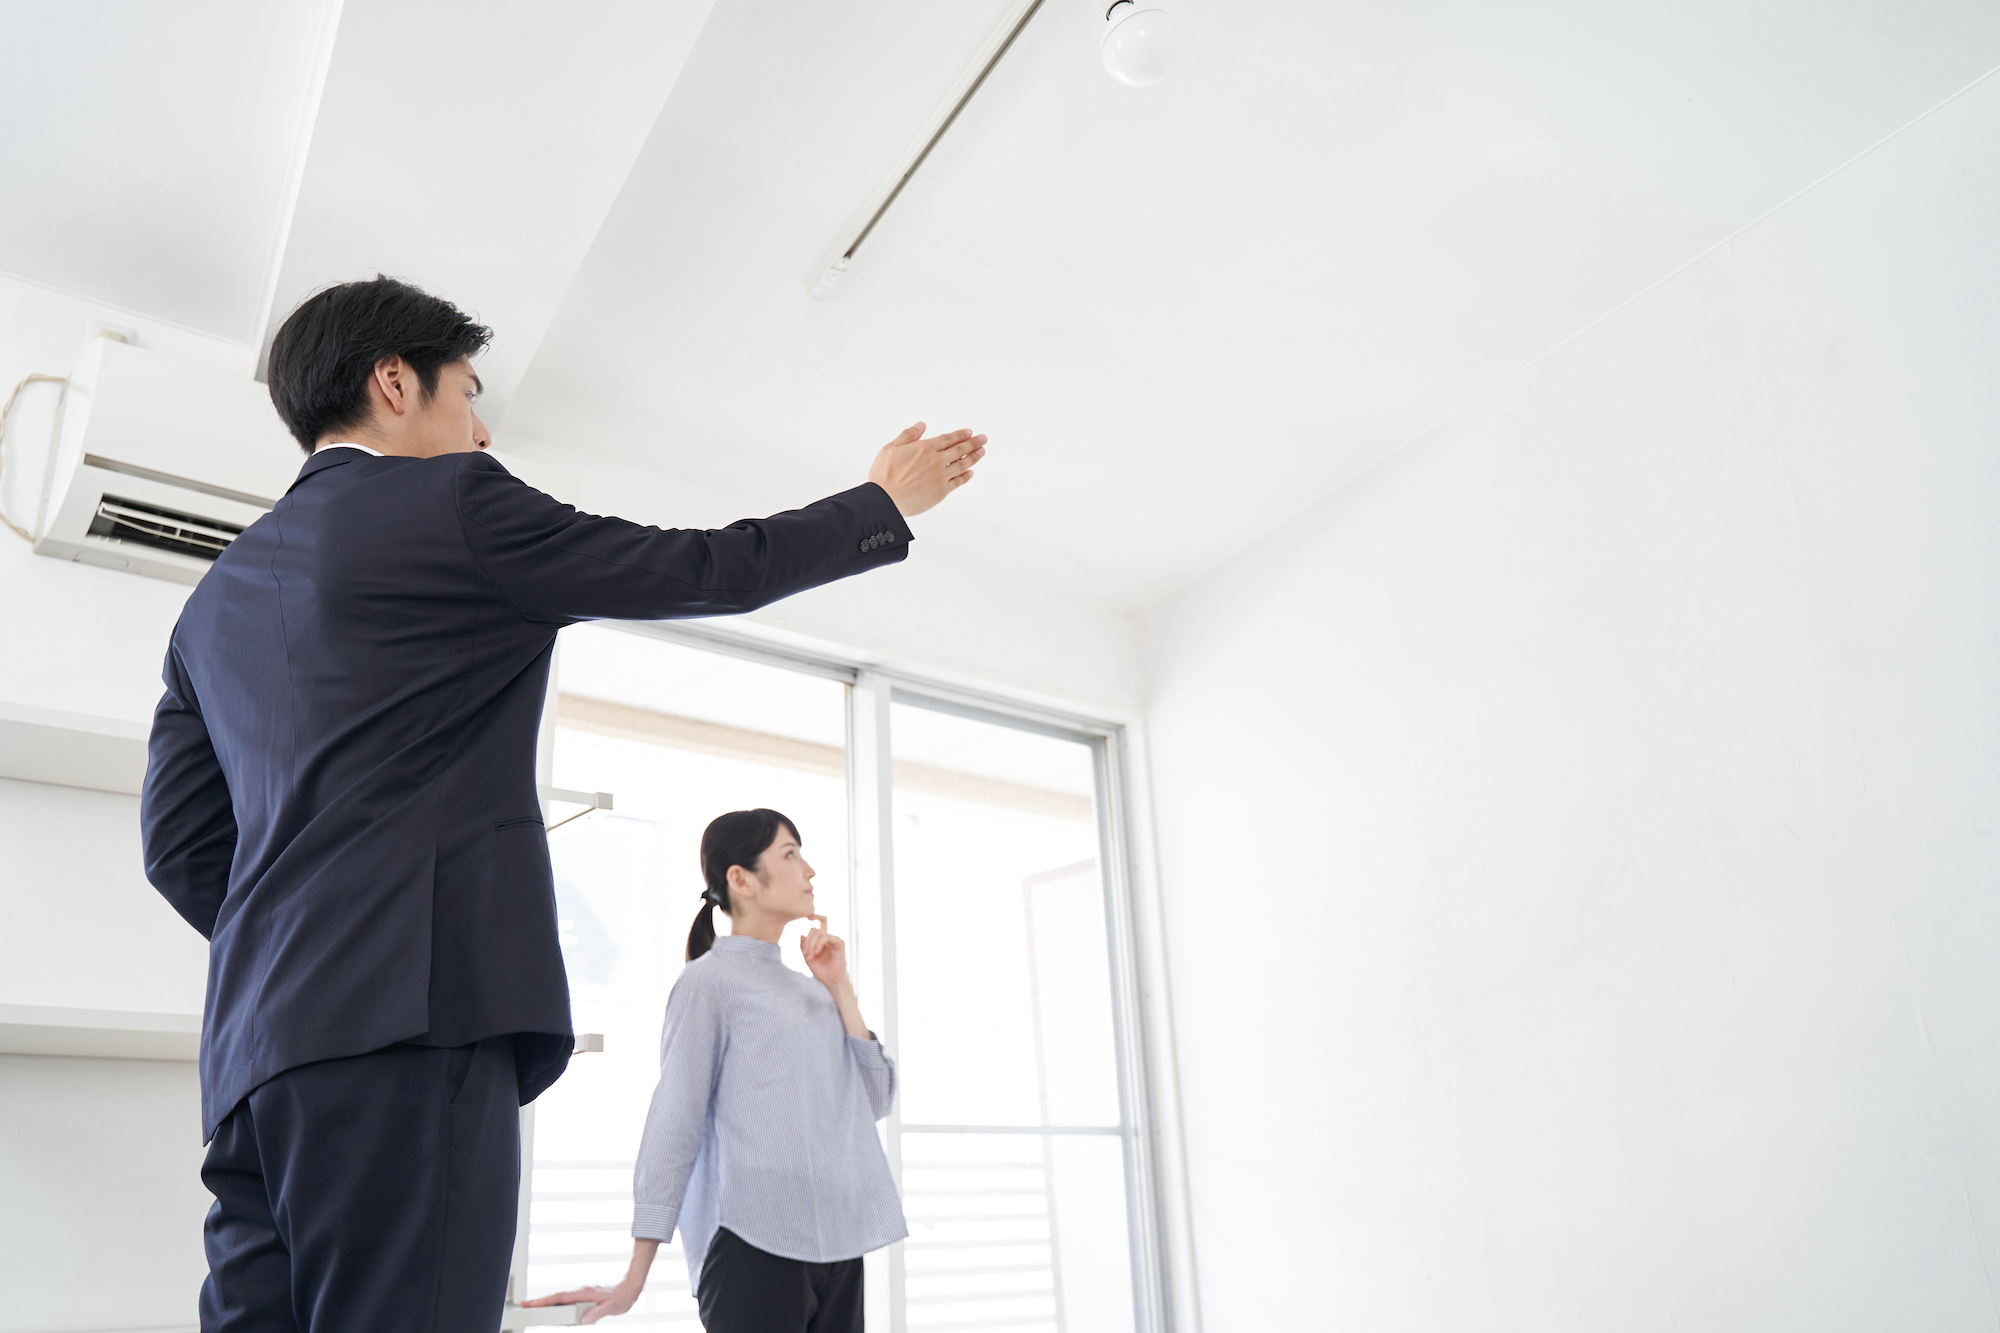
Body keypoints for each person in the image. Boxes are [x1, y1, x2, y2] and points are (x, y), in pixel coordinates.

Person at [139, 276, 980, 1333]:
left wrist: (309, 939)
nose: (479, 427)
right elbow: (699, 567)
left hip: (255, 1057)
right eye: (465, 394)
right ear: (393, 382)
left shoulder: (210, 602)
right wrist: (880, 505)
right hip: (415, 1023)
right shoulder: (452, 501)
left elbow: (177, 847)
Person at [525, 809, 904, 1332]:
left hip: (839, 1246)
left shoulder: (815, 992)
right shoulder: (709, 984)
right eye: (790, 854)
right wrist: (635, 1277)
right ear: (740, 878)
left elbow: (875, 1100)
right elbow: (674, 1123)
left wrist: (841, 987)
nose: (809, 871)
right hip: (755, 1244)